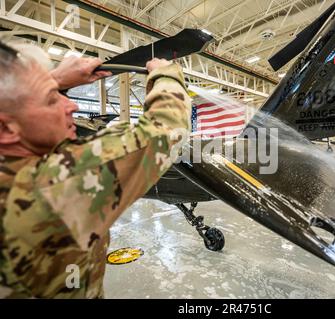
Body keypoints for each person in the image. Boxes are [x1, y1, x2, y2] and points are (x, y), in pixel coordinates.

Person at [0, 41, 191, 298]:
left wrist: (52, 80)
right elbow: (165, 131)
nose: (72, 106)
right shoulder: (47, 188)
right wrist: (165, 74)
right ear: (7, 129)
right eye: (51, 99)